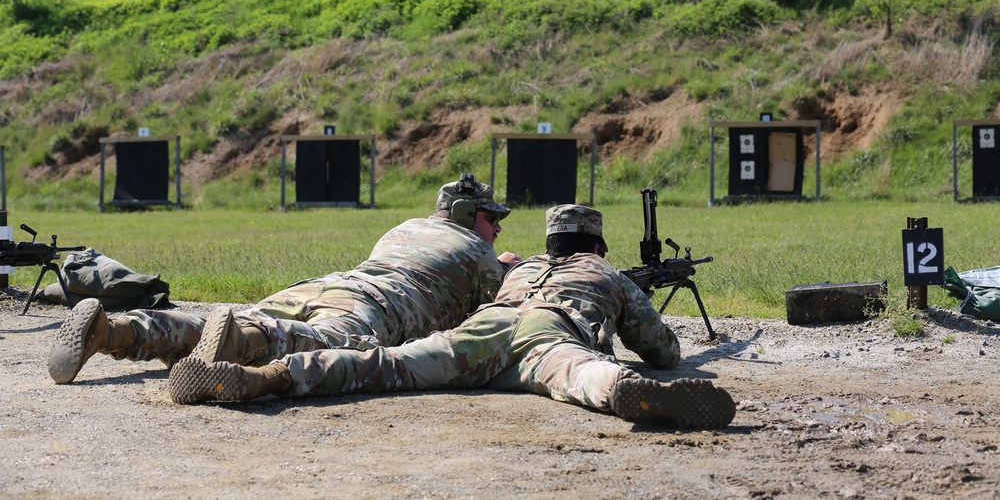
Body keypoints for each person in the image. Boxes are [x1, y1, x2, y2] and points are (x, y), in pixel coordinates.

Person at [166, 204, 736, 429]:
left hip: (480, 331)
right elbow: (660, 346)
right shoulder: (605, 275)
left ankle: (265, 378)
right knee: (577, 373)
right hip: (547, 334)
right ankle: (628, 393)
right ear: (598, 243)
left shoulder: (515, 268)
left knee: (382, 365)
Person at [48, 174, 521, 385]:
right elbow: (492, 313)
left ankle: (115, 330)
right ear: (465, 214)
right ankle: (237, 341)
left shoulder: (404, 227)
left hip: (324, 284)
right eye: (490, 217)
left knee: (227, 318)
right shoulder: (480, 251)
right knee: (311, 341)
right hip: (376, 306)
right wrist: (504, 265)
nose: (496, 225)